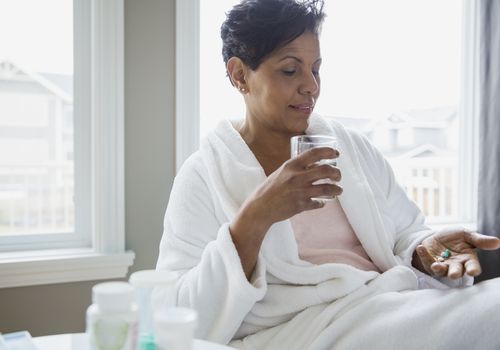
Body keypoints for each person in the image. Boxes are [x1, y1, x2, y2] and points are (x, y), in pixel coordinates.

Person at [155, 0, 500, 349]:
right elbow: (178, 312)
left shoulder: (350, 148)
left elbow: (406, 234)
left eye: (315, 69)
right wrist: (254, 218)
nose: (311, 86)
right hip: (311, 330)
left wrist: (422, 251)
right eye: (290, 71)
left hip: (391, 305)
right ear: (240, 74)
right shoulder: (202, 176)